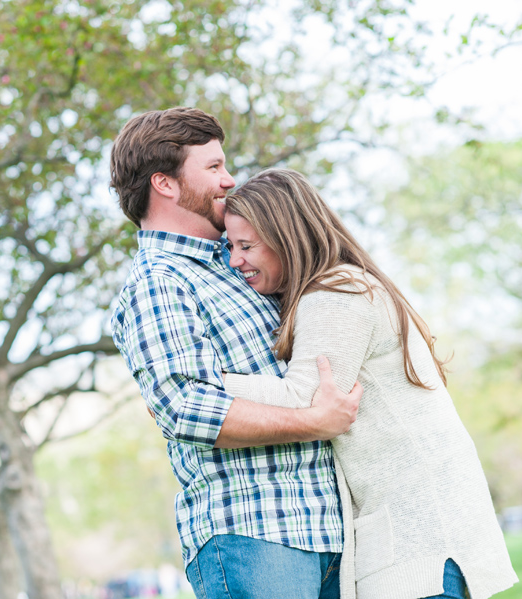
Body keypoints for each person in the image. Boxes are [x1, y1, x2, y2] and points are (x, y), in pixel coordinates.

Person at [222, 168, 518, 599]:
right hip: (426, 534)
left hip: (418, 542)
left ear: (287, 235)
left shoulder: (336, 295)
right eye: (231, 246)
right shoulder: (348, 285)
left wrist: (199, 387)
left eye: (246, 245)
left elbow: (304, 398)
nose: (235, 260)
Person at [110, 107, 363, 599]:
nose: (228, 180)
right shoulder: (159, 282)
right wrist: (316, 421)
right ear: (165, 184)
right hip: (253, 535)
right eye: (213, 167)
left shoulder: (239, 266)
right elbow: (186, 408)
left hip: (327, 531)